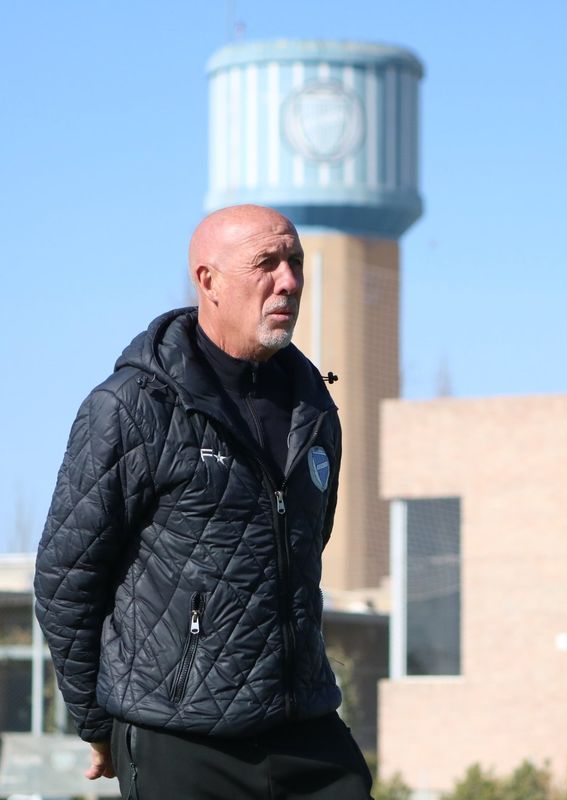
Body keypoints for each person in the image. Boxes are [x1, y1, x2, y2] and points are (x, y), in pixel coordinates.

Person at [34, 205, 370, 799]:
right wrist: (98, 721)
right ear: (208, 280)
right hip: (179, 736)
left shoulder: (315, 407)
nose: (289, 281)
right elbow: (67, 581)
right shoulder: (131, 407)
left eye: (295, 262)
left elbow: (304, 548)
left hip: (306, 729)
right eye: (267, 263)